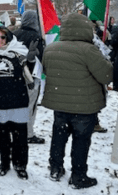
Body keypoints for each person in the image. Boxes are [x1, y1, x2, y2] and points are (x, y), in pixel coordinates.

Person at [42, 13, 113, 189]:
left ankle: (55, 168)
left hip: (59, 104)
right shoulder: (88, 50)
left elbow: (46, 70)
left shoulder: (51, 48)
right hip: (84, 106)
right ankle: (78, 176)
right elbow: (106, 75)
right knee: (81, 141)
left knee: (58, 138)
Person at [0, 25, 37, 180]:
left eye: (3, 37)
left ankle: (20, 165)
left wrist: (32, 59)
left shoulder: (19, 52)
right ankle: (4, 162)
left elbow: (31, 73)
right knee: (1, 138)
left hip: (17, 101)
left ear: (8, 38)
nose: (0, 40)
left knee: (20, 138)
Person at [13, 10, 45, 144]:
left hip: (14, 76)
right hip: (31, 76)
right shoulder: (36, 37)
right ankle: (28, 133)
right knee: (30, 105)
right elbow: (42, 58)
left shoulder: (14, 35)